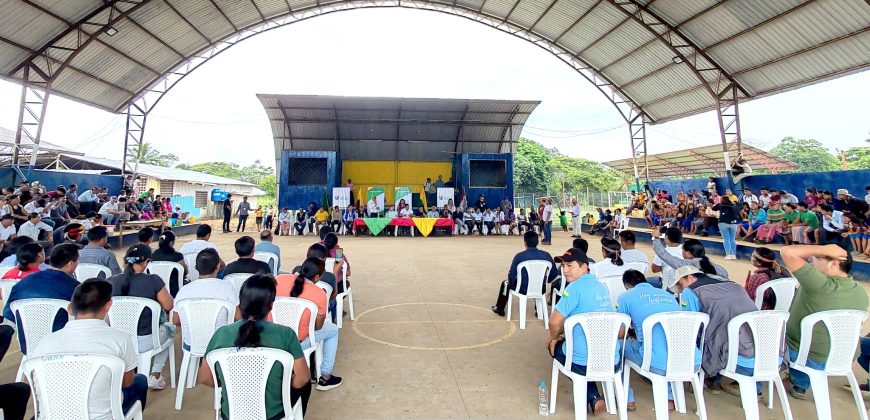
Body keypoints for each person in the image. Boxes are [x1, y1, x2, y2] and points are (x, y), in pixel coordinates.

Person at [31, 279, 148, 419]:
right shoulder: (120, 339)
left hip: (52, 416)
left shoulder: (44, 343)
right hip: (102, 417)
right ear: (108, 305)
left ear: (70, 308)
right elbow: (127, 382)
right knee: (140, 381)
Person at [198, 274, 312, 417]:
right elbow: (302, 378)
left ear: (240, 304)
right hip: (272, 414)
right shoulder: (286, 334)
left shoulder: (220, 334)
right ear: (271, 305)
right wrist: (284, 384)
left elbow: (204, 378)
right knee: (305, 383)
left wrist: (231, 384)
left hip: (232, 414)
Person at [780, 244, 868, 400]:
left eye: (817, 258)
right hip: (842, 357)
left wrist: (825, 249)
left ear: (834, 264)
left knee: (766, 334)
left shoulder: (820, 284)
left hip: (808, 356)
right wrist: (824, 252)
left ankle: (792, 382)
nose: (811, 261)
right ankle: (799, 383)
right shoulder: (859, 290)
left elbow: (787, 252)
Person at [672, 265, 759, 394]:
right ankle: (750, 387)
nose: (680, 289)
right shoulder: (734, 285)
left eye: (680, 284)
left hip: (738, 361)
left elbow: (689, 327)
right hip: (766, 356)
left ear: (690, 277)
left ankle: (707, 379)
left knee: (694, 337)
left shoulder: (690, 292)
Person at [547, 248, 612, 414]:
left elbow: (554, 322)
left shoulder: (573, 289)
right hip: (609, 356)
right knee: (577, 348)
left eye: (570, 265)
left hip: (584, 360)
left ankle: (592, 395)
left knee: (556, 348)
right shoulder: (601, 286)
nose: (565, 270)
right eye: (563, 266)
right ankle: (594, 397)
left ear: (584, 267)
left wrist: (554, 339)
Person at [618, 269, 685, 411]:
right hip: (684, 357)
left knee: (617, 346)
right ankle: (669, 397)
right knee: (664, 346)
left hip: (654, 359)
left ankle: (626, 398)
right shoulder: (668, 295)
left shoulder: (625, 297)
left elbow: (621, 333)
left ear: (627, 286)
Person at [108, 245, 174, 389]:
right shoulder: (154, 280)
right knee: (170, 329)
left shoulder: (111, 281)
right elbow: (169, 305)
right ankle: (155, 375)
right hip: (145, 340)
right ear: (146, 262)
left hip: (118, 340)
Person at [279, 257, 343, 390]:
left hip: (277, 336)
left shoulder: (280, 279)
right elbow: (318, 326)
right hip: (298, 341)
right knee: (333, 329)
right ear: (317, 277)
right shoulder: (319, 293)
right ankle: (325, 376)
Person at [2, 244, 81, 351]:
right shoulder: (75, 287)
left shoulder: (24, 282)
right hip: (62, 347)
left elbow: (8, 314)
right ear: (71, 263)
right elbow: (83, 319)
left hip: (29, 346)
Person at [491, 231, 559, 316]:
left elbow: (511, 276)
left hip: (522, 288)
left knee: (505, 283)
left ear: (525, 243)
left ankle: (499, 309)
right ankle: (539, 310)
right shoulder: (546, 255)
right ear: (537, 242)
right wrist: (546, 281)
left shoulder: (519, 256)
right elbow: (554, 273)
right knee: (537, 280)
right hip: (540, 287)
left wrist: (511, 285)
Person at [172, 248, 239, 334]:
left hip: (192, 342)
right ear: (218, 267)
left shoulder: (183, 290)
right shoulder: (227, 287)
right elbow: (238, 316)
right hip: (220, 341)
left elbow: (176, 320)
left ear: (196, 267)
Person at [151, 230, 188, 296]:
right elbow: (185, 272)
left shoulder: (153, 255)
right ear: (171, 243)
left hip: (157, 289)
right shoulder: (177, 256)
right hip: (175, 289)